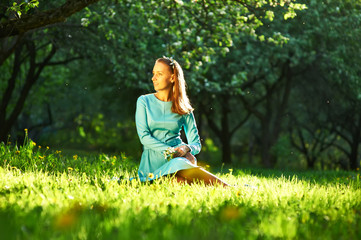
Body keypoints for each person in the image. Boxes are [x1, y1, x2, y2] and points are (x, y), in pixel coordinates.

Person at [135, 56, 229, 187]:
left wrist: (187, 148)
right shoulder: (144, 101)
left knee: (181, 182)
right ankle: (229, 188)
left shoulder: (183, 107)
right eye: (153, 74)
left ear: (172, 78)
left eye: (159, 74)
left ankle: (227, 189)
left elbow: (196, 143)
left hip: (180, 160)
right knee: (176, 171)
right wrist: (171, 151)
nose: (153, 78)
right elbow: (144, 137)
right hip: (153, 164)